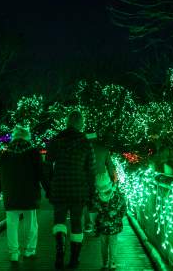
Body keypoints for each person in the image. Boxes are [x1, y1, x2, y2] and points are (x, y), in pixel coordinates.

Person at [45, 110, 96, 269]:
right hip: (79, 190)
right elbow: (91, 170)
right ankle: (74, 259)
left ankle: (60, 253)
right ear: (80, 123)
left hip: (59, 188)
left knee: (59, 220)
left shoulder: (56, 140)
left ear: (67, 122)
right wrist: (91, 192)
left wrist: (50, 186)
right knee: (76, 221)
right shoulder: (85, 142)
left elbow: (47, 166)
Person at [0, 125, 43, 262]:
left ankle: (14, 253)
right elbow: (41, 173)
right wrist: (49, 190)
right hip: (29, 194)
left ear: (14, 137)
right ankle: (30, 250)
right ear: (27, 137)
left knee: (12, 224)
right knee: (31, 224)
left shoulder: (6, 153)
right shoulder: (33, 152)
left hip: (11, 194)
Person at [93, 172, 127, 270]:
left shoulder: (97, 197)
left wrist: (96, 222)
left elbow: (94, 211)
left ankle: (104, 262)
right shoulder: (117, 196)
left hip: (102, 226)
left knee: (103, 245)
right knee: (113, 244)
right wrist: (119, 217)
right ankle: (112, 263)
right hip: (114, 225)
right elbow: (123, 208)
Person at [84, 135, 116, 234]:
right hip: (101, 179)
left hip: (86, 178)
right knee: (101, 200)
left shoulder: (83, 149)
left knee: (87, 202)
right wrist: (114, 179)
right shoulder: (103, 149)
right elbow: (110, 166)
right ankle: (100, 223)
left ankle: (88, 224)